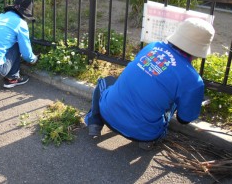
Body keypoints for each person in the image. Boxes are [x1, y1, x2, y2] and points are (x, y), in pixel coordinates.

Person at [85, 17, 215, 149]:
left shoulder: (153, 47)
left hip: (107, 114)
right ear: (201, 48)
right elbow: (184, 119)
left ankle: (94, 122)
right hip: (146, 134)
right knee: (174, 100)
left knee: (106, 81)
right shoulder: (193, 81)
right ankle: (147, 142)